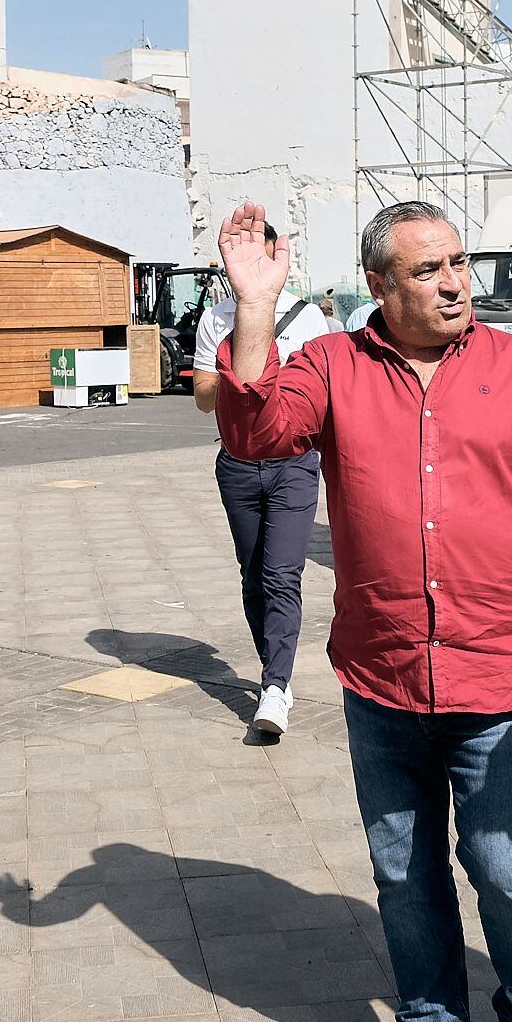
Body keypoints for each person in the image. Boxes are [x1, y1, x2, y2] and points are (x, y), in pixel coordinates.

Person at [212, 198, 512, 1022]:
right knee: (404, 875)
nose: (453, 283)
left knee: (511, 874)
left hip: (499, 669)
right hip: (383, 673)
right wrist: (254, 304)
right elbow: (254, 431)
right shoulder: (329, 364)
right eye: (427, 269)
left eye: (457, 263)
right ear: (378, 284)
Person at [192, 221, 331, 735]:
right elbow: (204, 398)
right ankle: (277, 670)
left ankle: (275, 688)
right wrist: (237, 370)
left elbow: (322, 392)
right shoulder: (216, 318)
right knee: (254, 577)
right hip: (236, 465)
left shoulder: (308, 317)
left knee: (281, 574)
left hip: (294, 463)